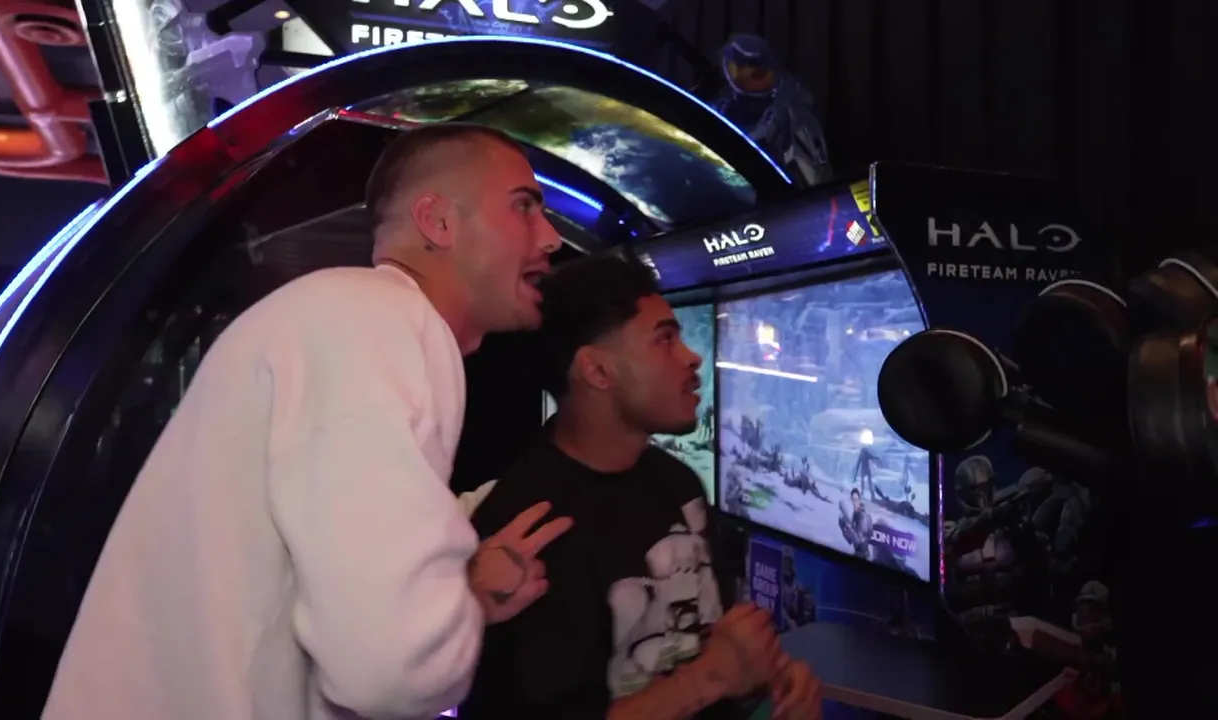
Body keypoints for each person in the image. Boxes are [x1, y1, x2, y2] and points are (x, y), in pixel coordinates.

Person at [43, 123, 572, 720]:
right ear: (438, 222)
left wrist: (455, 594)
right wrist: (450, 621)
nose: (552, 237)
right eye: (524, 206)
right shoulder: (372, 320)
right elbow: (389, 668)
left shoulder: (350, 319)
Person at [460, 256, 822, 720]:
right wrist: (707, 679)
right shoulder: (526, 526)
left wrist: (770, 675)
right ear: (597, 371)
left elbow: (714, 641)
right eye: (664, 339)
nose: (690, 357)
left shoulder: (677, 483)